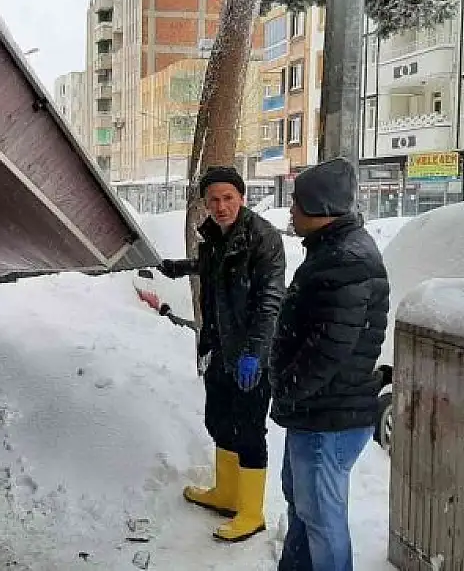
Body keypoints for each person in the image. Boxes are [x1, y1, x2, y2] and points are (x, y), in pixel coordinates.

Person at [268, 158, 390, 571]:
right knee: (303, 506)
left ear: (320, 209)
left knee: (322, 518)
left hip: (327, 415)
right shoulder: (334, 251)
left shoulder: (346, 262)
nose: (290, 211)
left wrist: (285, 386)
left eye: (297, 204)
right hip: (317, 410)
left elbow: (329, 350)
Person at [158, 166, 285, 542]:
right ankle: (226, 494)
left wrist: (255, 354)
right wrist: (182, 268)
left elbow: (269, 300)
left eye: (228, 197)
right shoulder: (212, 235)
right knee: (218, 419)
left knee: (248, 430)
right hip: (217, 346)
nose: (221, 206)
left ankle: (251, 512)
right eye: (213, 199)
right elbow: (214, 268)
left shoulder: (263, 238)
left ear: (241, 198)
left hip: (250, 353)